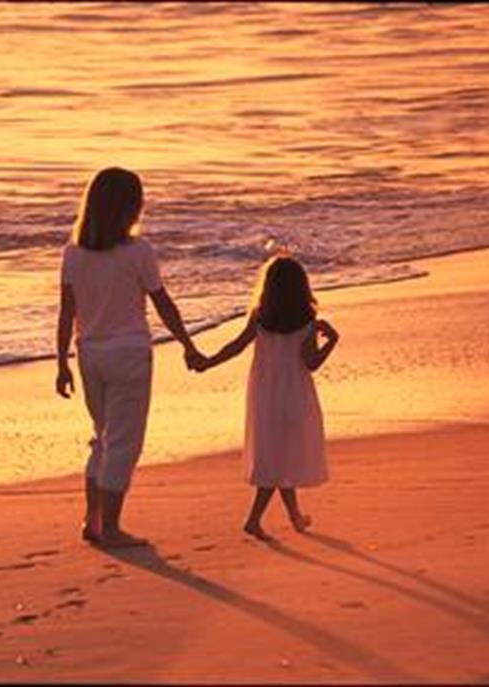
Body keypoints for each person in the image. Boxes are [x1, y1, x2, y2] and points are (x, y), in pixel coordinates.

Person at [55, 167, 205, 548]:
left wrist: (62, 363)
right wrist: (187, 344)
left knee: (102, 438)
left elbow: (66, 313)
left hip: (89, 353)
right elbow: (162, 303)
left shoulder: (73, 252)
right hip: (130, 354)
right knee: (124, 443)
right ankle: (112, 528)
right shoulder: (139, 251)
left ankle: (93, 521)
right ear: (130, 208)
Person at [194, 254, 339, 540]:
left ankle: (295, 516)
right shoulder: (307, 320)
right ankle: (254, 520)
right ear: (301, 287)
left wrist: (208, 361)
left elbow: (236, 346)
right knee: (280, 458)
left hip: (264, 394)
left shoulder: (260, 316)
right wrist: (332, 341)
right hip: (295, 393)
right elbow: (311, 363)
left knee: (276, 455)